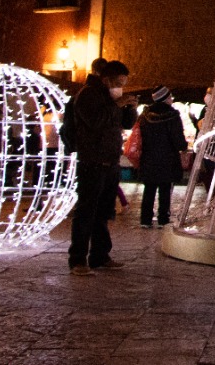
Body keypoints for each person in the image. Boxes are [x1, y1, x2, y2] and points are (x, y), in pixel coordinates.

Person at [68, 60, 138, 276]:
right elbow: (95, 122)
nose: (120, 87)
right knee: (86, 212)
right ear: (106, 79)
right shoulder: (88, 95)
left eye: (124, 83)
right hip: (92, 161)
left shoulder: (111, 98)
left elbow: (123, 125)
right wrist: (115, 105)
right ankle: (78, 260)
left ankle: (100, 255)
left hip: (110, 162)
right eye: (118, 82)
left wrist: (130, 109)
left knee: (103, 212)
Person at [137, 86, 189, 229]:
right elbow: (177, 137)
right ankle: (163, 219)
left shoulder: (146, 115)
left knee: (149, 189)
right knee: (165, 189)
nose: (172, 99)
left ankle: (145, 219)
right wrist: (183, 147)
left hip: (149, 157)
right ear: (165, 98)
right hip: (167, 157)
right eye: (170, 96)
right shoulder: (172, 115)